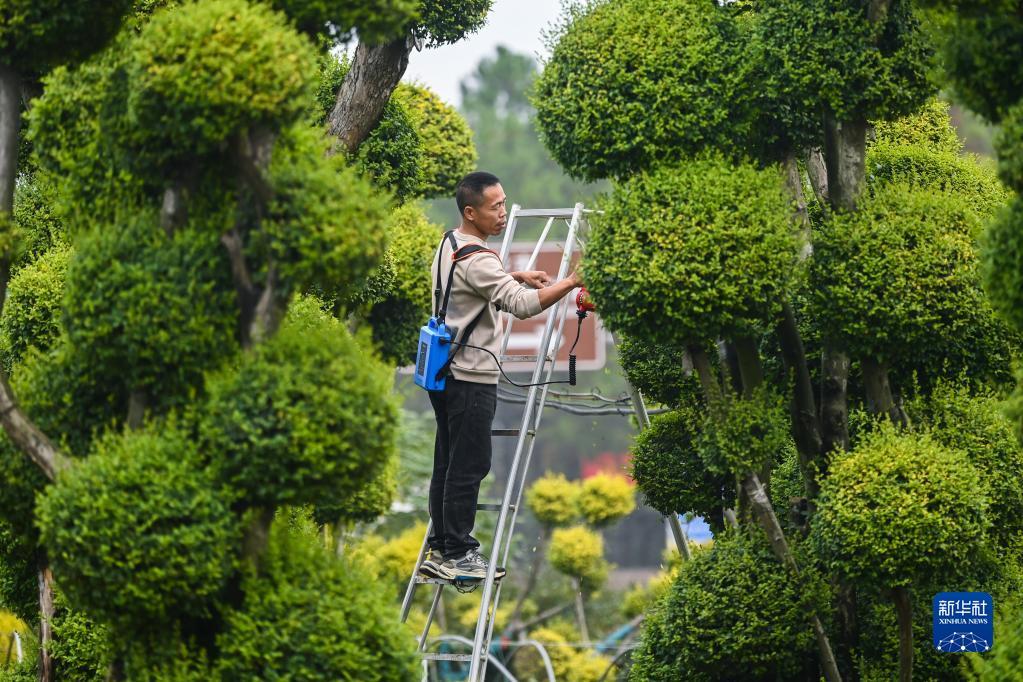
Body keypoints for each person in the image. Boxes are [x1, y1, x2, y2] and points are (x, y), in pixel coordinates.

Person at [421, 171, 582, 581]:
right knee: (469, 465)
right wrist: (571, 282)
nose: (504, 213)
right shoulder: (480, 259)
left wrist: (516, 276)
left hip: (444, 373)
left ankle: (440, 548)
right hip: (471, 378)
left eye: (504, 203)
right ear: (471, 212)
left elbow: (471, 287)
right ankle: (458, 553)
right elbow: (523, 307)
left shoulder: (450, 243)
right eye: (495, 207)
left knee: (448, 462)